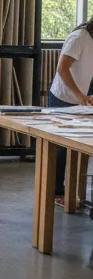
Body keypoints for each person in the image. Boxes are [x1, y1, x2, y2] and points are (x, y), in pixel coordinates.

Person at [48, 15, 93, 199]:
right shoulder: (79, 37)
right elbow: (62, 68)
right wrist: (79, 95)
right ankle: (56, 192)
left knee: (79, 146)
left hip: (79, 98)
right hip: (63, 97)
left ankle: (75, 192)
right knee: (60, 149)